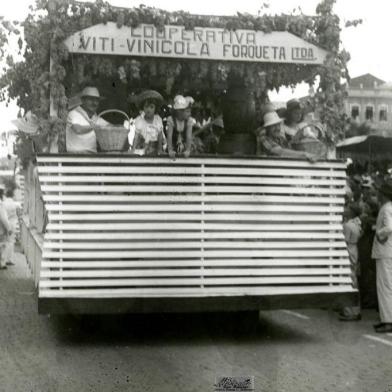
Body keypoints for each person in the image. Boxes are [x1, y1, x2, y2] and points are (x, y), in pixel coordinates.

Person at [371, 179, 392, 333]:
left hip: (385, 252)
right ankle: (386, 318)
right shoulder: (386, 207)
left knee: (385, 286)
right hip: (386, 252)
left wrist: (379, 234)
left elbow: (389, 227)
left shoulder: (386, 208)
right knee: (386, 286)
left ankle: (388, 321)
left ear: (383, 194)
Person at [65, 86, 109, 153]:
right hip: (75, 157)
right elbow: (78, 129)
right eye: (91, 99)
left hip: (92, 157)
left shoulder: (97, 118)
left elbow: (112, 127)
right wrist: (94, 127)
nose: (94, 103)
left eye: (97, 100)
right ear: (82, 100)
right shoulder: (73, 114)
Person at [339, 204, 363, 321]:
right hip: (354, 250)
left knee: (348, 279)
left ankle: (349, 311)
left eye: (348, 208)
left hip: (348, 249)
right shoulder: (356, 224)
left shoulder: (348, 225)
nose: (345, 209)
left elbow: (345, 240)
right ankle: (356, 309)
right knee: (354, 280)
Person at [132, 90, 165, 156]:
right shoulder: (140, 120)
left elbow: (160, 136)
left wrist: (160, 149)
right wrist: (133, 149)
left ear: (155, 108)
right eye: (146, 107)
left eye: (151, 107)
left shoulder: (157, 120)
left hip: (155, 147)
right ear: (143, 108)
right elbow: (136, 136)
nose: (148, 109)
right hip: (142, 147)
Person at [3, 186, 19, 266]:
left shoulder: (3, 203)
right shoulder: (15, 204)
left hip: (4, 224)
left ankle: (3, 259)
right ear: (12, 195)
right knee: (11, 241)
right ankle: (9, 259)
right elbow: (18, 214)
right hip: (12, 224)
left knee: (4, 242)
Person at [0, 184, 11, 270]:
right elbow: (3, 218)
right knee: (3, 246)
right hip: (1, 230)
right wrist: (9, 228)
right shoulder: (0, 204)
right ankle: (2, 263)